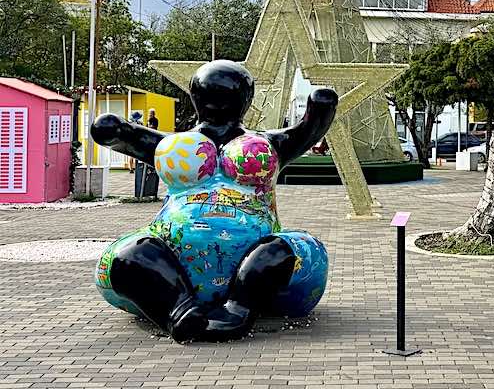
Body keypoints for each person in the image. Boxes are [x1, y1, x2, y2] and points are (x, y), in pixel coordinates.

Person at [90, 60, 336, 342]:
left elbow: (308, 131)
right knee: (126, 255)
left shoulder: (269, 143)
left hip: (260, 270)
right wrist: (119, 131)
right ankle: (179, 310)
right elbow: (122, 136)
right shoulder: (172, 144)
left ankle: (238, 307)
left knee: (291, 248)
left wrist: (319, 114)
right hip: (171, 267)